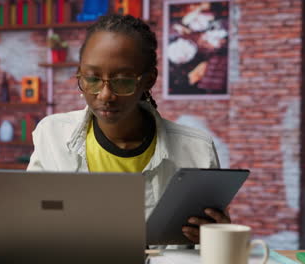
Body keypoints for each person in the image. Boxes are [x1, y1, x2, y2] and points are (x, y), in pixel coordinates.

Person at [27, 14, 230, 244]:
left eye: (123, 80)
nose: (105, 95)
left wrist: (220, 236)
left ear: (148, 80)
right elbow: (31, 221)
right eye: (92, 79)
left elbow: (211, 242)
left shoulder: (197, 150)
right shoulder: (52, 135)